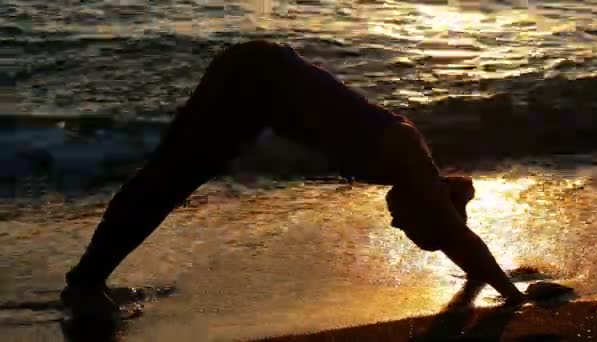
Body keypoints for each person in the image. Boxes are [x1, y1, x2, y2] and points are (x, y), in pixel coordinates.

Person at [61, 40, 527, 317]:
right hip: (255, 80)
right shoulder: (406, 159)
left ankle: (88, 279)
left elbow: (446, 231)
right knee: (168, 180)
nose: (394, 225)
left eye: (404, 230)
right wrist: (513, 296)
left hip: (260, 92)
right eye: (408, 225)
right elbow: (450, 233)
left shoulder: (407, 173)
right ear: (428, 198)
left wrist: (473, 275)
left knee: (170, 178)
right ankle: (85, 282)